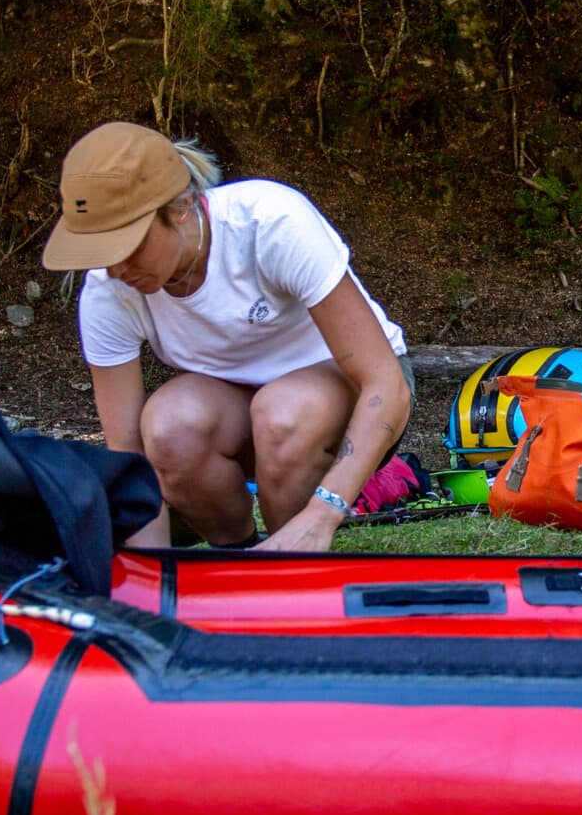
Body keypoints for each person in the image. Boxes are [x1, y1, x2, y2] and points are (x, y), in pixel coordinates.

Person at [41, 121, 413, 553]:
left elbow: (386, 384)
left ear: (180, 207)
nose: (115, 268)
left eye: (126, 245)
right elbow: (130, 458)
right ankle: (238, 563)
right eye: (99, 252)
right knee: (168, 427)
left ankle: (298, 566)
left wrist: (322, 513)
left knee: (283, 414)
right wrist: (146, 584)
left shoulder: (269, 223)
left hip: (352, 400)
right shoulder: (109, 289)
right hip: (238, 409)